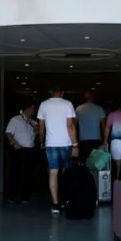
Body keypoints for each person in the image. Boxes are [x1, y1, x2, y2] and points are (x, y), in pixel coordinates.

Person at [37, 86, 79, 214]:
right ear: (62, 92)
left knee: (53, 172)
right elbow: (70, 126)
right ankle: (67, 199)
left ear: (51, 92)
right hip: (66, 143)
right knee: (66, 172)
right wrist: (75, 145)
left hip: (51, 144)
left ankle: (55, 203)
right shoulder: (68, 104)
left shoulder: (44, 105)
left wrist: (41, 141)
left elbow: (41, 126)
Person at [4, 100, 37, 204]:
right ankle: (11, 195)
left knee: (28, 173)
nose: (34, 111)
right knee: (15, 172)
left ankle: (25, 196)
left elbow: (39, 131)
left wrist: (33, 125)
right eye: (33, 109)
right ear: (28, 108)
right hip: (19, 149)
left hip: (30, 149)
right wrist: (14, 143)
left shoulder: (33, 122)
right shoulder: (15, 119)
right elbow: (8, 133)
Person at [75, 91, 106, 162]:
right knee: (96, 162)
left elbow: (74, 125)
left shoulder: (78, 109)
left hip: (83, 139)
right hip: (96, 138)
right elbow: (103, 126)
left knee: (85, 160)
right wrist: (105, 140)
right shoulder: (99, 109)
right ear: (93, 98)